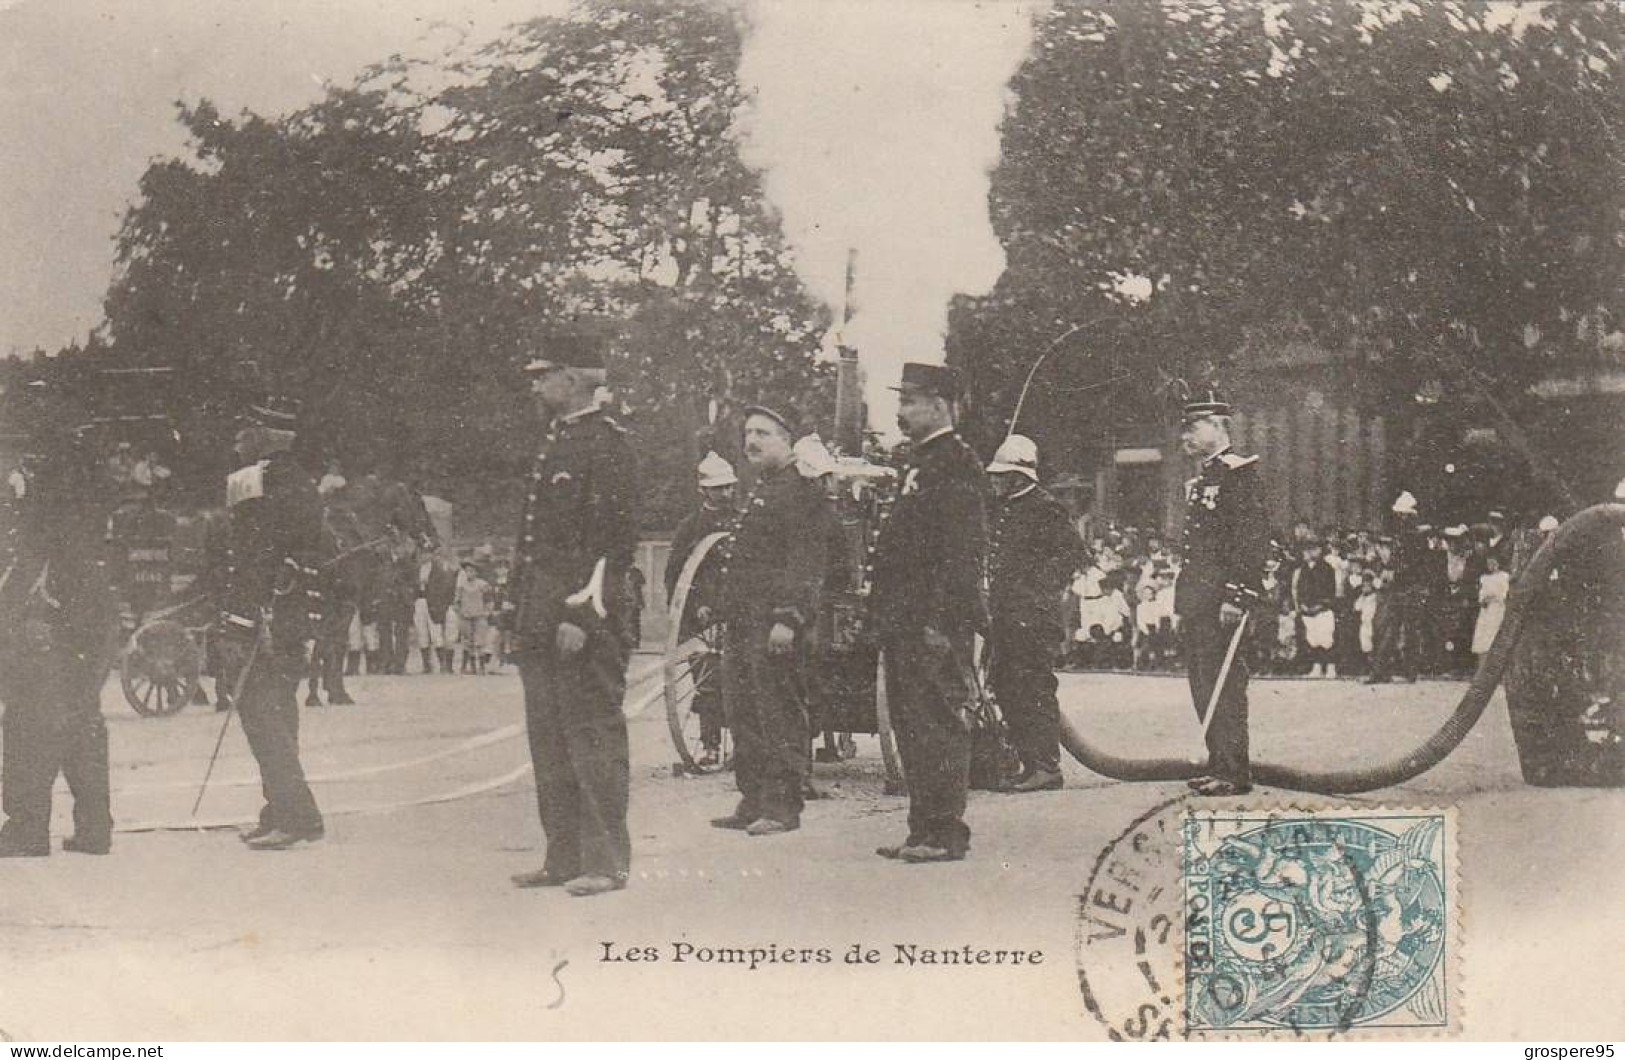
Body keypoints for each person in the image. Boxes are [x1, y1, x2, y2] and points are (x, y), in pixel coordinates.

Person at [507, 342, 638, 898]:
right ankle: (561, 856)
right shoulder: (555, 444)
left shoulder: (607, 447)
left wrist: (582, 614)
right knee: (550, 742)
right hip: (540, 617)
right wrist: (517, 611)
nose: (534, 386)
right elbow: (535, 543)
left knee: (591, 737)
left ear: (572, 378)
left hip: (583, 617)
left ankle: (605, 862)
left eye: (543, 376)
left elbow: (610, 542)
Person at [869, 363, 988, 862]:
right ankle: (922, 830)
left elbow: (962, 553)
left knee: (937, 722)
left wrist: (943, 622)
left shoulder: (956, 463)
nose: (901, 411)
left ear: (939, 405)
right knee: (912, 724)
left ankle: (945, 833)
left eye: (910, 402)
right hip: (905, 620)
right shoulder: (919, 462)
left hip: (934, 623)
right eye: (901, 401)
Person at [199, 393, 326, 850]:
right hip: (289, 615)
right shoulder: (301, 482)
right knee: (279, 715)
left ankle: (297, 815)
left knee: (263, 718)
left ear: (263, 436)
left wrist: (238, 619)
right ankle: (281, 810)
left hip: (261, 617)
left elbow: (249, 558)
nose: (236, 437)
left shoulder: (253, 482)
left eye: (243, 429)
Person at [0, 396, 118, 857]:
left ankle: (26, 828)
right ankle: (94, 827)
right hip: (91, 618)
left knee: (31, 722)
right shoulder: (85, 482)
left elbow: (29, 560)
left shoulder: (43, 492)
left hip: (50, 623)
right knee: (82, 720)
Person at [709, 407, 834, 836]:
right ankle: (754, 799)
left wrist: (789, 618)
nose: (752, 441)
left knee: (778, 711)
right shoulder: (763, 487)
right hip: (745, 622)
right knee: (744, 711)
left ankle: (782, 807)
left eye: (763, 433)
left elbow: (806, 562)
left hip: (775, 624)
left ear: (787, 440)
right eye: (747, 433)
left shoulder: (802, 490)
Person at [1174, 387, 1267, 797]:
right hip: (1198, 599)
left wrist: (1238, 594)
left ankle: (1233, 771)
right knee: (1203, 683)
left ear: (1216, 425)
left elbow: (1250, 540)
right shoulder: (1203, 480)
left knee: (1225, 685)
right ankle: (1218, 764)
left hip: (1222, 601)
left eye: (1192, 428)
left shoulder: (1239, 475)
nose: (1185, 438)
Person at [983, 434, 1078, 792]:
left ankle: (1046, 766)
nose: (993, 480)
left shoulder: (1045, 507)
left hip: (1034, 619)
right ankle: (1028, 763)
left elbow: (1070, 553)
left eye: (1000, 475)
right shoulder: (1006, 508)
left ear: (1018, 477)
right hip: (1006, 616)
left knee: (1034, 688)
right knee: (1007, 687)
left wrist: (1036, 590)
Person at [666, 451, 738, 767]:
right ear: (703, 490)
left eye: (729, 487)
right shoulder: (690, 527)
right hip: (703, 616)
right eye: (719, 488)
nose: (726, 493)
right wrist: (695, 610)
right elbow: (675, 576)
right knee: (707, 682)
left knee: (740, 682)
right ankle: (710, 746)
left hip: (738, 612)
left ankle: (742, 747)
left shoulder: (743, 520)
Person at [1366, 492, 1429, 684]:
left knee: (1408, 630)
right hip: (1400, 587)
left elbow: (1417, 565)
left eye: (1403, 515)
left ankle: (1407, 671)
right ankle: (1383, 670)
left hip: (1410, 587)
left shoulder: (1417, 538)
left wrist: (1395, 572)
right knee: (1390, 628)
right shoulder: (1401, 537)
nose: (1401, 518)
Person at [1292, 540, 1338, 678]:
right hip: (1308, 610)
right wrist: (1303, 605)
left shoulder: (1327, 568)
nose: (1308, 553)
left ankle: (1331, 667)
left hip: (1322, 610)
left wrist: (1321, 605)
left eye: (1311, 550)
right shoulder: (1303, 570)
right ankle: (1317, 666)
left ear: (1318, 550)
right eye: (1306, 550)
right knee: (1313, 639)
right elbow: (1300, 589)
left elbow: (1330, 590)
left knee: (1327, 639)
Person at [1472, 554, 1509, 662]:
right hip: (1486, 611)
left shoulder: (1504, 576)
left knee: (1495, 635)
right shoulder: (1484, 578)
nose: (1492, 566)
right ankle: (1482, 666)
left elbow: (1504, 594)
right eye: (1489, 564)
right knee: (1483, 638)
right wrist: (1484, 600)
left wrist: (1495, 597)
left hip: (1498, 609)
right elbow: (1481, 596)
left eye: (1494, 563)